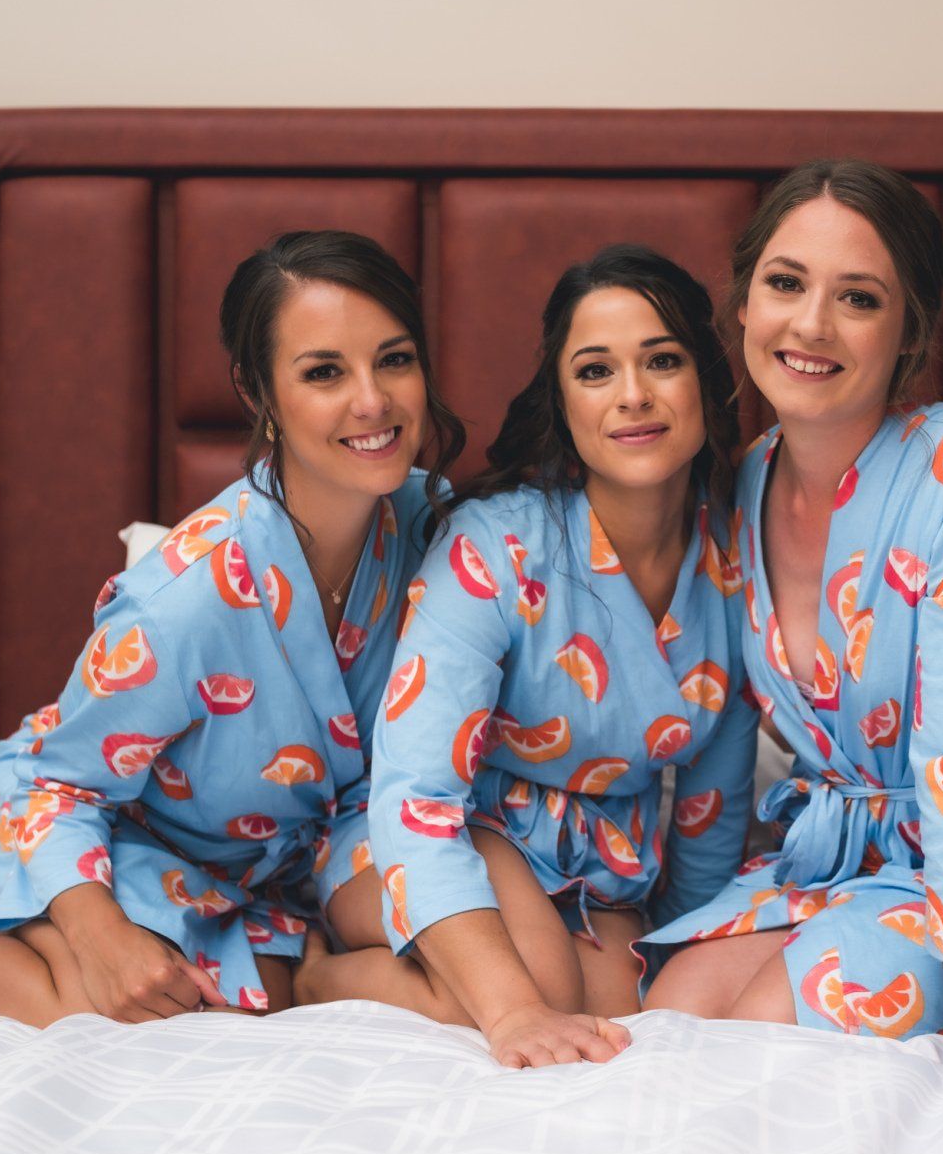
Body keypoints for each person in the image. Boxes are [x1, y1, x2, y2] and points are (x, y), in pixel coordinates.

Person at [0, 230, 462, 1023]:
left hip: (290, 854)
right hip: (118, 830)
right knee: (139, 1000)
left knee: (442, 916)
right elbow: (55, 786)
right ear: (258, 390)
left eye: (394, 359)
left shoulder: (429, 526)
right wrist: (98, 936)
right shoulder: (184, 599)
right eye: (324, 371)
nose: (373, 401)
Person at [639, 160, 943, 1083]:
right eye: (785, 284)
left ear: (909, 331)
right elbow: (722, 747)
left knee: (765, 1039)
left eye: (857, 297)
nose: (810, 324)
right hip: (830, 864)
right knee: (671, 1017)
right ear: (742, 306)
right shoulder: (739, 482)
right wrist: (694, 915)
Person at [295, 245, 757, 1070]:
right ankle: (319, 979)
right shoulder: (498, 545)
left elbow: (712, 807)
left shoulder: (737, 557)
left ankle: (513, 969)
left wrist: (686, 941)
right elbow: (416, 793)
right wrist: (510, 1011)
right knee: (536, 979)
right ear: (563, 399)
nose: (633, 396)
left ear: (707, 383)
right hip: (427, 831)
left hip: (599, 865)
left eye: (662, 360)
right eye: (595, 370)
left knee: (631, 1000)